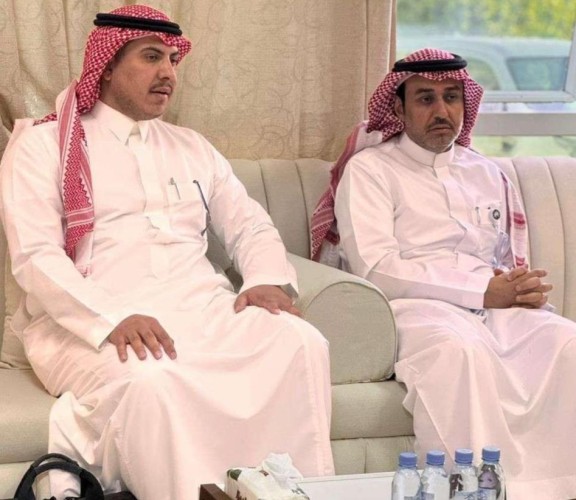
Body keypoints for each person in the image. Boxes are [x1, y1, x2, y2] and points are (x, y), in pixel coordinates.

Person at [0, 6, 334, 499]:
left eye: (173, 60)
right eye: (151, 57)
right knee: (153, 379)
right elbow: (35, 257)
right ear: (107, 65)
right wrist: (112, 317)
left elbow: (249, 221)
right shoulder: (44, 145)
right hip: (87, 322)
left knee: (300, 342)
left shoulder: (191, 146)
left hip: (201, 308)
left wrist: (265, 277)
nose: (168, 73)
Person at [311, 48, 576, 499]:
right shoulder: (371, 170)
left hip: (493, 306)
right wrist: (482, 291)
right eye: (425, 99)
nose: (441, 111)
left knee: (565, 340)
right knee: (460, 351)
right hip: (413, 308)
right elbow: (377, 268)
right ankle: (475, 491)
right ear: (398, 108)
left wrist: (519, 289)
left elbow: (504, 259)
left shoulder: (486, 171)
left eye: (451, 97)